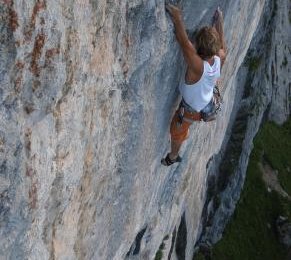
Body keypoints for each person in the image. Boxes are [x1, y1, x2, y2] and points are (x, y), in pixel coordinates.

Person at [161, 4, 227, 166]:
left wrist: (177, 17)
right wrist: (220, 22)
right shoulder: (219, 57)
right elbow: (223, 46)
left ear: (198, 47)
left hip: (192, 110)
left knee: (177, 132)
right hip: (207, 101)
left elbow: (183, 41)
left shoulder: (198, 66)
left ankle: (173, 156)